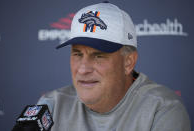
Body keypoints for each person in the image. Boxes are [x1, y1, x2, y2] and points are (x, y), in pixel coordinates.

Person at [37, 2, 191, 131]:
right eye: (77, 54)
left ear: (128, 62)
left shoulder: (162, 109)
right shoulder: (52, 106)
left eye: (98, 56)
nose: (83, 69)